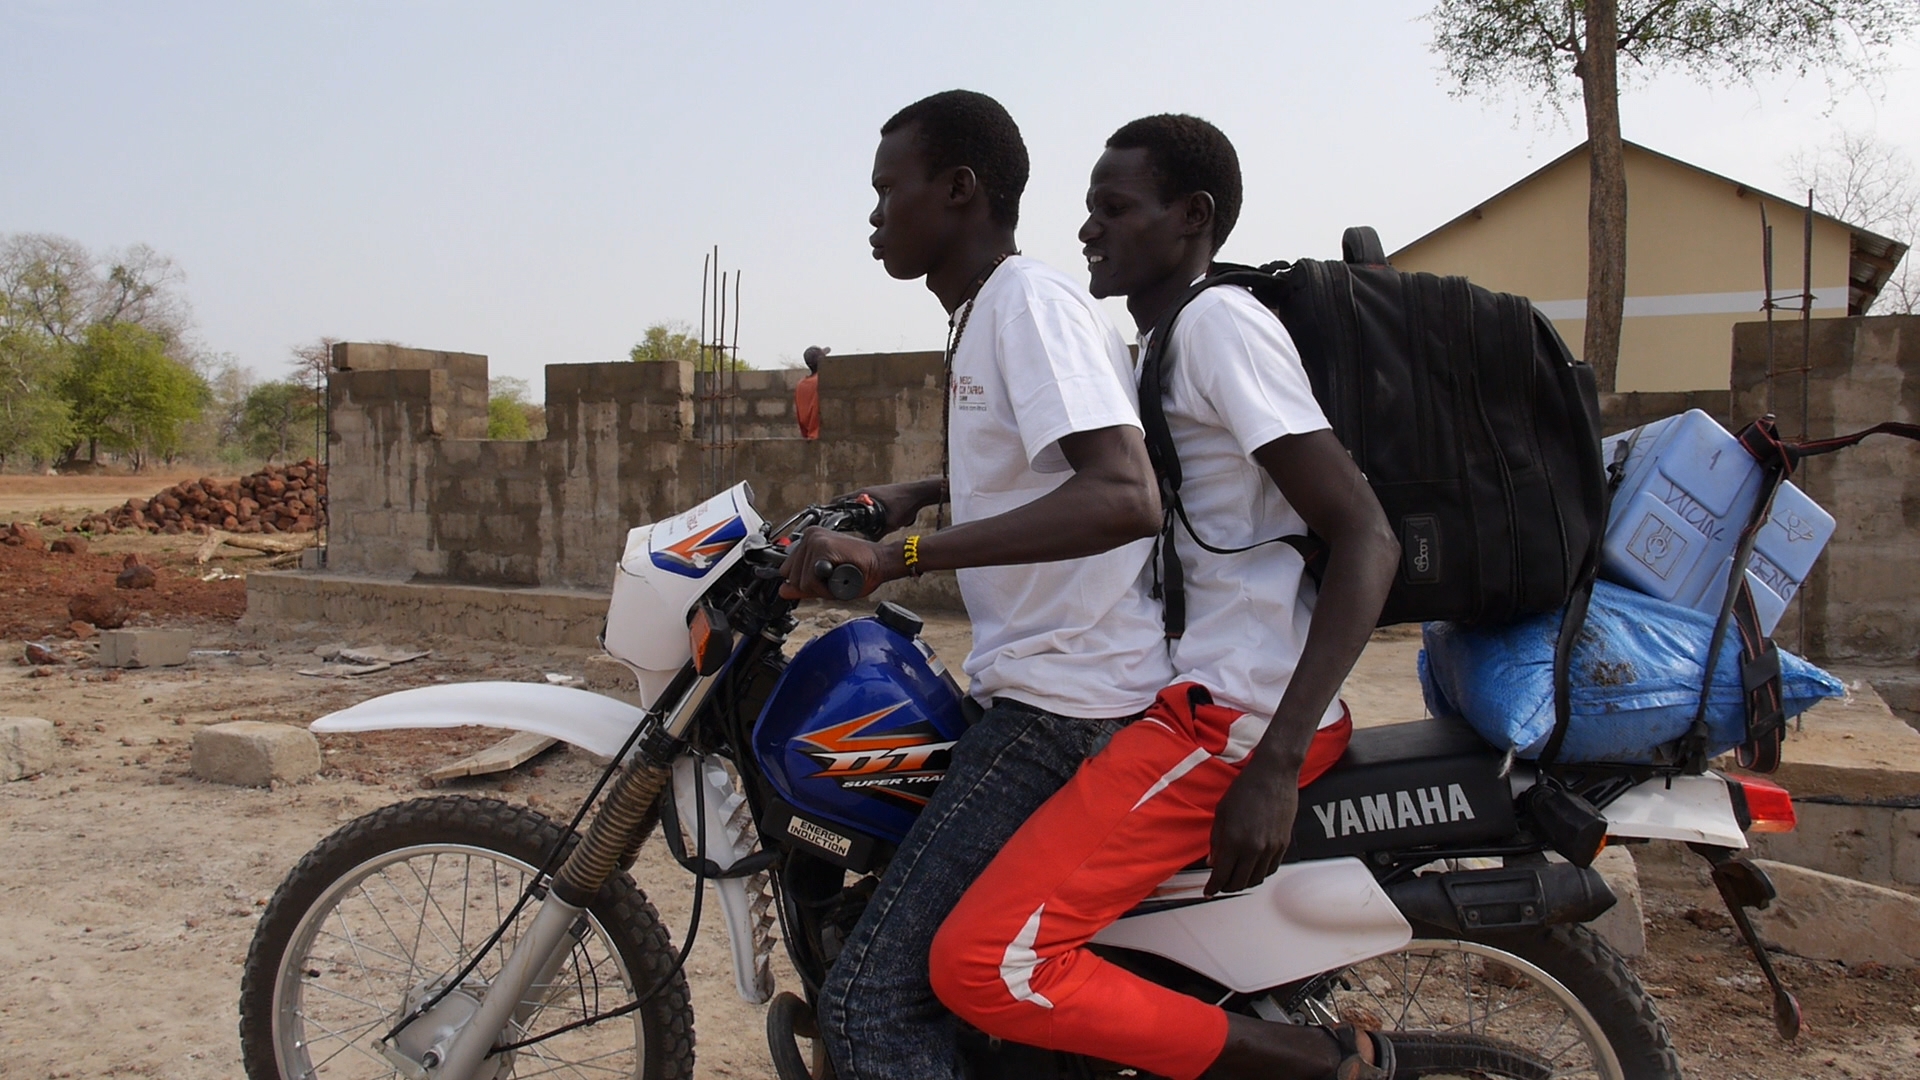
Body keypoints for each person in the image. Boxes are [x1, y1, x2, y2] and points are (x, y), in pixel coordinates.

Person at [928, 115, 1404, 1080]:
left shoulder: (1221, 327)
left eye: (1116, 208)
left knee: (984, 964)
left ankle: (1313, 1063)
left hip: (1230, 716)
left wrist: (1269, 762)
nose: (1090, 230)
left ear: (1192, 217)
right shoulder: (1161, 342)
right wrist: (915, 494)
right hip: (1189, 698)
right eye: (1089, 209)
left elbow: (1366, 536)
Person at [777, 90, 1176, 1080]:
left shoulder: (1026, 307)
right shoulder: (988, 314)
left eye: (887, 189)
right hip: (1040, 682)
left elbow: (1125, 495)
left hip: (1066, 705)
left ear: (958, 191)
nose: (873, 214)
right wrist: (907, 495)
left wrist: (898, 559)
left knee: (870, 1003)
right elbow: (1038, 462)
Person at [795, 345, 826, 438]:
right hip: (823, 436)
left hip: (809, 438)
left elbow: (799, 414)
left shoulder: (801, 385)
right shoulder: (823, 381)